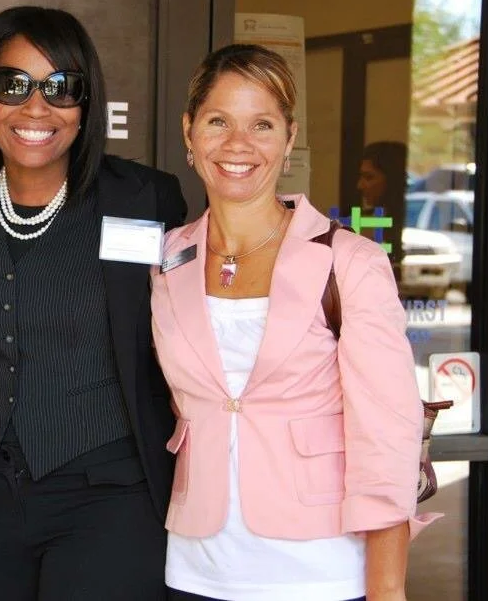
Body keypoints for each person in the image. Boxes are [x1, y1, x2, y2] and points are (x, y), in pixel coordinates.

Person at [151, 45, 434, 601]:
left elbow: (387, 438)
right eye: (217, 121)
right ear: (190, 133)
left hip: (319, 569)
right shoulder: (168, 258)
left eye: (261, 123)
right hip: (194, 567)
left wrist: (387, 589)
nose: (238, 144)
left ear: (289, 137)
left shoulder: (347, 261)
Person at [0, 6, 187, 600]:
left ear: (86, 105)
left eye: (61, 88)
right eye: (12, 85)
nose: (36, 108)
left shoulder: (145, 198)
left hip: (109, 496)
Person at [356, 140, 408, 264]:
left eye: (369, 177)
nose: (359, 186)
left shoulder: (408, 226)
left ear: (393, 180)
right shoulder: (383, 220)